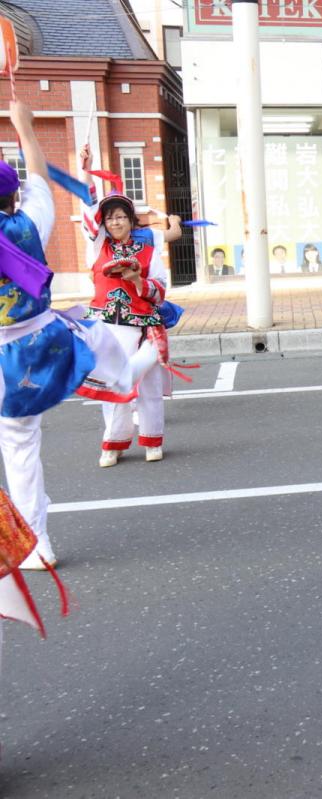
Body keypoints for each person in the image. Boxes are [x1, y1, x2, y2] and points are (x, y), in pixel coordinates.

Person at [0, 102, 143, 567]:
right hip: (44, 340)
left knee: (20, 450)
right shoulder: (28, 224)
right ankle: (130, 373)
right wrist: (25, 128)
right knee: (103, 345)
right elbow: (39, 178)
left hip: (4, 359)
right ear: (13, 198)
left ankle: (37, 544)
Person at [77, 192, 172, 466]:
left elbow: (160, 291)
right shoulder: (97, 246)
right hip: (107, 328)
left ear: (131, 220)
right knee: (113, 386)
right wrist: (87, 180)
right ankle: (113, 442)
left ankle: (153, 440)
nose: (115, 222)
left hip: (142, 328)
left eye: (120, 217)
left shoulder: (148, 252)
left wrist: (138, 280)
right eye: (110, 218)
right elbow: (88, 217)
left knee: (149, 387)